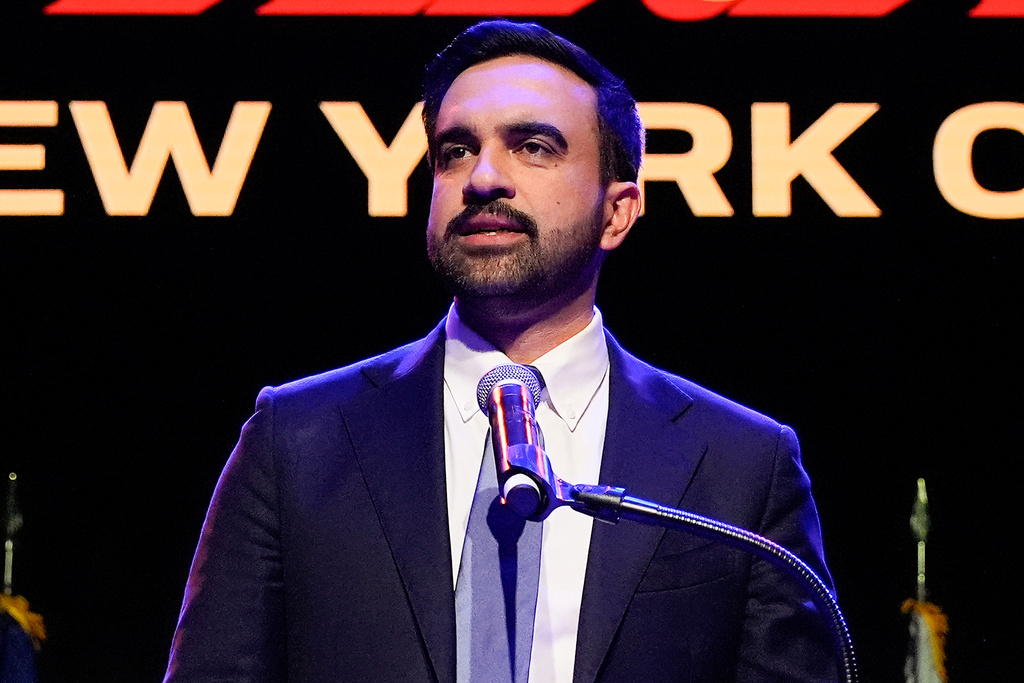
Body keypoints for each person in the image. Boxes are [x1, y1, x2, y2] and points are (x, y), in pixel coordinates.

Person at [163, 20, 837, 683]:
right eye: (455, 151)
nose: (482, 177)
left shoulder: (743, 465)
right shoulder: (297, 441)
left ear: (618, 212)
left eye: (534, 147)